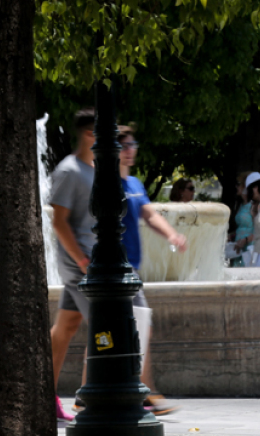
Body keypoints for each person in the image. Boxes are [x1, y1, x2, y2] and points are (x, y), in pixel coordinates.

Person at [117, 126, 187, 416]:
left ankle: (142, 391)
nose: (131, 150)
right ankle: (146, 391)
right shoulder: (104, 184)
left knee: (133, 325)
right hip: (111, 269)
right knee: (132, 326)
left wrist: (171, 234)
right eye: (125, 145)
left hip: (130, 268)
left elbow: (149, 214)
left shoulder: (134, 183)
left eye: (133, 144)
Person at [46, 109, 99, 419]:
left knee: (65, 327)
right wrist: (82, 261)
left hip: (86, 267)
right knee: (104, 328)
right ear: (89, 133)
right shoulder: (69, 171)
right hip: (81, 267)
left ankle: (44, 395)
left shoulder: (92, 168)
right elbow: (59, 222)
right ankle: (90, 399)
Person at [228, 173, 253, 266]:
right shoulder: (240, 205)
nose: (236, 186)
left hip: (249, 247)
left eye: (239, 184)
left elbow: (259, 230)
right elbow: (242, 226)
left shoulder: (253, 206)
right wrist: (232, 235)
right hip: (238, 247)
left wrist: (245, 240)